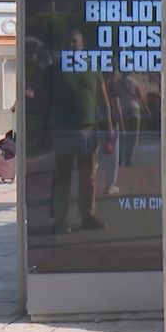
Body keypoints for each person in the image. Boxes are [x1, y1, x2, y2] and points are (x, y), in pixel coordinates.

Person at [50, 29, 111, 231]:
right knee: (62, 176)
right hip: (64, 129)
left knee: (88, 176)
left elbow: (103, 98)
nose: (72, 46)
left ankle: (88, 215)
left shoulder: (93, 67)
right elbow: (44, 96)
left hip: (88, 128)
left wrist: (109, 125)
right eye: (69, 42)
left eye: (75, 42)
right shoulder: (56, 69)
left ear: (82, 45)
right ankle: (60, 219)